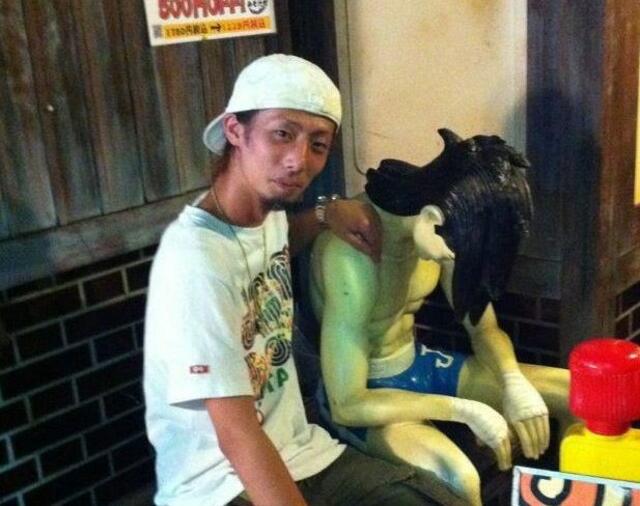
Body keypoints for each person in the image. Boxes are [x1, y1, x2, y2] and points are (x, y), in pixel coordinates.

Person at [143, 54, 446, 506]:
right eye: (282, 134)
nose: (298, 161)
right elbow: (237, 435)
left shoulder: (261, 216)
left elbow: (280, 240)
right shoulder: (196, 261)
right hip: (218, 482)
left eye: (317, 144)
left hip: (302, 453)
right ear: (235, 130)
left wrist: (326, 213)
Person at [310, 129, 573, 506]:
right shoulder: (351, 258)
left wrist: (512, 381)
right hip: (366, 393)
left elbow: (483, 327)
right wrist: (462, 410)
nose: (455, 260)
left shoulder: (441, 222)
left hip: (418, 363)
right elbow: (347, 403)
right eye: (458, 252)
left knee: (574, 393)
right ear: (431, 218)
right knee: (457, 476)